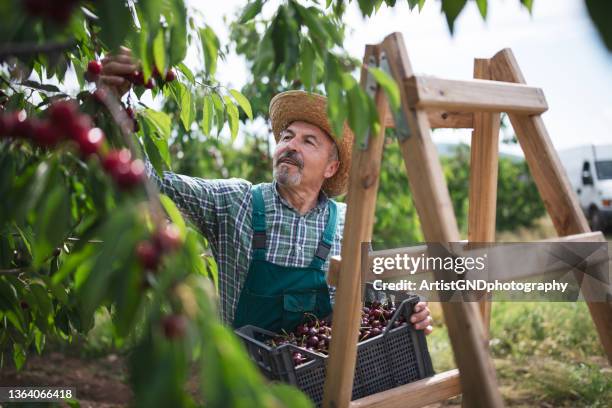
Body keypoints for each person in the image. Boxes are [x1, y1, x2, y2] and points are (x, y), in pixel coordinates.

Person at [100, 49, 433, 334]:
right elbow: (149, 181)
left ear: (331, 168)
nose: (290, 146)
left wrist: (411, 313)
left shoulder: (349, 221)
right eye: (286, 137)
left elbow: (373, 300)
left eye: (308, 141)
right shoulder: (235, 202)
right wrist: (112, 106)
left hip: (318, 383)